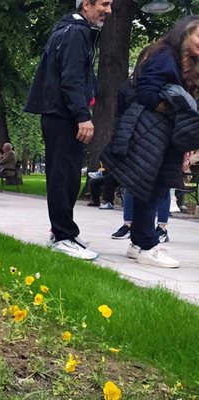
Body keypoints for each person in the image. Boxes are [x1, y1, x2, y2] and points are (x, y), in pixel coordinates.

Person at [102, 18, 199, 268]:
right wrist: (173, 109)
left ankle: (137, 243)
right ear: (184, 34)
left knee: (153, 188)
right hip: (153, 133)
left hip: (161, 134)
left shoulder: (180, 60)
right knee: (152, 188)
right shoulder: (167, 56)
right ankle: (147, 246)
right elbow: (146, 92)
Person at [24, 0, 112, 260]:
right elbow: (71, 78)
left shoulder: (71, 29)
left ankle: (62, 232)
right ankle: (63, 236)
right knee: (64, 176)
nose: (109, 10)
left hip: (60, 114)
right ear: (86, 4)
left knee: (67, 175)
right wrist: (82, 116)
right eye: (105, 4)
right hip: (63, 116)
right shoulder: (75, 32)